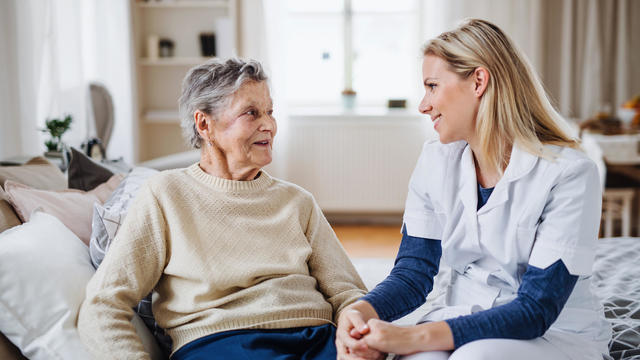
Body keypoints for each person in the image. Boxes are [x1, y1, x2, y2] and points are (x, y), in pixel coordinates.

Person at [336, 19, 611, 360]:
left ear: (478, 81)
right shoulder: (435, 160)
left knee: (474, 357)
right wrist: (360, 313)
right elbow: (413, 273)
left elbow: (536, 309)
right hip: (459, 317)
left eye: (432, 86)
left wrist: (411, 336)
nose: (423, 105)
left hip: (553, 333)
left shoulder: (570, 173)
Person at [78, 58, 367, 360]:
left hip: (317, 339)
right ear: (204, 124)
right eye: (251, 113)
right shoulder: (167, 194)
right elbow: (103, 304)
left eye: (270, 112)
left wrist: (356, 333)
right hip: (220, 344)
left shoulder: (297, 201)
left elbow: (348, 293)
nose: (269, 125)